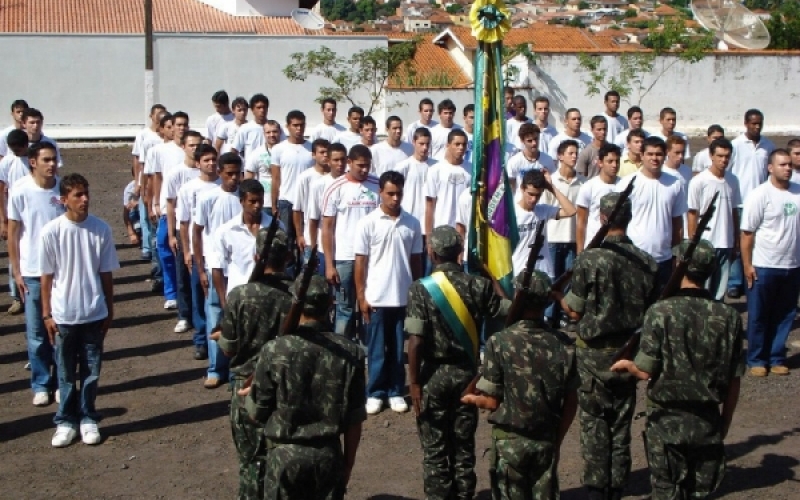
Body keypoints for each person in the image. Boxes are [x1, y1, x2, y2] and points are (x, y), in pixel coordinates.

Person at [610, 240, 744, 500]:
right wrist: (725, 420)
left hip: (666, 422)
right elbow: (734, 378)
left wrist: (628, 366)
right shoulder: (728, 317)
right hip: (707, 421)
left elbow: (646, 371)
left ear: (678, 266)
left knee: (666, 491)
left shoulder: (660, 312)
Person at [552, 192, 658, 500]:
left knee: (595, 422)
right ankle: (617, 484)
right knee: (621, 422)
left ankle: (597, 486)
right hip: (628, 351)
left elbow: (575, 310)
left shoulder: (590, 259)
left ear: (602, 218)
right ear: (629, 218)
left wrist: (557, 297)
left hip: (593, 355)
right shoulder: (646, 261)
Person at [405, 225, 512, 500]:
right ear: (460, 252)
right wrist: (491, 275)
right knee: (463, 448)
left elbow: (415, 341)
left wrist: (414, 381)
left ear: (432, 252)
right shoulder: (479, 285)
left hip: (433, 375)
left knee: (435, 450)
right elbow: (508, 309)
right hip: (468, 376)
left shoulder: (420, 289)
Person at [242, 274, 366, 500]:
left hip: (284, 458)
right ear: (330, 304)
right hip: (328, 456)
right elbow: (354, 419)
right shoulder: (350, 353)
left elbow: (256, 413)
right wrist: (347, 464)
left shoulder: (275, 350)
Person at [465, 271, 578, 500]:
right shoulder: (564, 345)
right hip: (546, 440)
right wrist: (558, 439)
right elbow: (572, 400)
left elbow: (491, 400)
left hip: (510, 443)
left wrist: (472, 400)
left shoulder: (500, 342)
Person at [40, 173, 119, 447]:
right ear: (64, 200)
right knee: (64, 371)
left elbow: (106, 274)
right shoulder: (52, 231)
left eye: (86, 193)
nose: (85, 199)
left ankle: (87, 417)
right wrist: (47, 314)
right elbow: (47, 277)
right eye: (77, 195)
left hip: (93, 312)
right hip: (63, 314)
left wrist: (109, 309)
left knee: (91, 370)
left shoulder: (101, 229)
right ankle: (65, 420)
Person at [218, 228, 293, 499]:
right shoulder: (295, 297)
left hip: (246, 388)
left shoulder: (240, 295)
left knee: (251, 464)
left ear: (256, 255)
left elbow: (227, 349)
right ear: (287, 258)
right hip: (285, 390)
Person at [355, 171, 423, 415]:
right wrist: (361, 296)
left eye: (399, 193)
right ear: (380, 193)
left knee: (397, 349)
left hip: (402, 297)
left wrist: (417, 293)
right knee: (375, 348)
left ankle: (395, 391)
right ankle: (374, 392)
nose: (395, 198)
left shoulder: (412, 223)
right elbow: (360, 262)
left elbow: (416, 261)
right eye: (390, 193)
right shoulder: (368, 223)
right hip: (376, 297)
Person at [8, 141, 65, 406]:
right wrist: (17, 272)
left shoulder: (62, 189)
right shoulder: (20, 190)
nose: (52, 164)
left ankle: (60, 381)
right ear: (33, 162)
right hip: (32, 272)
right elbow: (13, 232)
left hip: (59, 272)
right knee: (36, 333)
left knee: (60, 329)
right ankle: (41, 383)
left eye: (54, 159)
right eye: (47, 160)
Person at [741, 149, 800, 377]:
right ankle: (756, 358)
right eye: (783, 164)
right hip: (764, 266)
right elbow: (747, 234)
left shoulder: (797, 193)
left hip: (792, 266)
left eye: (789, 165)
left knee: (785, 315)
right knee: (758, 315)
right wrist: (747, 264)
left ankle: (776, 357)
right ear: (770, 167)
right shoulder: (759, 195)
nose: (788, 168)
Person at [193, 153, 244, 386]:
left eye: (237, 174)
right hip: (215, 266)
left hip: (239, 269)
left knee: (238, 319)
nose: (234, 178)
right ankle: (215, 368)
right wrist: (200, 268)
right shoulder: (208, 198)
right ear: (220, 173)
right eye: (229, 174)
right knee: (216, 314)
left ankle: (236, 367)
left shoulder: (246, 197)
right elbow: (197, 231)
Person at [322, 145, 380, 339]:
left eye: (367, 166)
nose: (364, 170)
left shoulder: (377, 185)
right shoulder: (335, 188)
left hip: (372, 258)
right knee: (345, 308)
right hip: (345, 258)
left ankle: (366, 352)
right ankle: (342, 352)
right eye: (360, 166)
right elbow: (327, 228)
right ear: (349, 162)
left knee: (369, 304)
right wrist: (329, 264)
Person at [615, 137, 687, 292]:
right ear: (641, 155)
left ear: (665, 155)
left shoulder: (675, 184)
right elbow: (617, 223)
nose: (654, 158)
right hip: (634, 257)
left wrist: (676, 254)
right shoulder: (627, 183)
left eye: (659, 154)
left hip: (664, 259)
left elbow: (677, 223)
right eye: (650, 154)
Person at [177, 144, 222, 364]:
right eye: (206, 160)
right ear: (198, 164)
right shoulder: (188, 189)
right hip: (199, 252)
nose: (211, 164)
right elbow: (184, 224)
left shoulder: (226, 186)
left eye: (214, 159)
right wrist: (187, 251)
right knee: (200, 297)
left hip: (221, 254)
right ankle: (201, 341)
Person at [727, 108, 775, 299]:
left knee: (756, 243)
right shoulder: (736, 145)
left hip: (761, 202)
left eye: (759, 123)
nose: (757, 126)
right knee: (738, 244)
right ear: (745, 123)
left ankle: (752, 278)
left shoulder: (768, 146)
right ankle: (734, 282)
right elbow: (728, 171)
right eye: (753, 123)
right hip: (740, 201)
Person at [688, 138, 740, 300]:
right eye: (720, 156)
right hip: (706, 244)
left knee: (720, 291)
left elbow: (734, 211)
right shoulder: (699, 181)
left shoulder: (733, 180)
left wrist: (736, 238)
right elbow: (692, 213)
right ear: (711, 155)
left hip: (725, 243)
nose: (724, 160)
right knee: (703, 289)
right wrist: (693, 242)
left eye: (727, 156)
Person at [212, 180, 282, 301]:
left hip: (268, 297)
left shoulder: (277, 227)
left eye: (260, 201)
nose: (257, 205)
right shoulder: (226, 231)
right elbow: (217, 268)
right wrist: (224, 304)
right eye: (252, 201)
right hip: (238, 298)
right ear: (242, 202)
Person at [159, 127, 199, 329]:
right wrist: (171, 234)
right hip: (182, 230)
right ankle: (184, 315)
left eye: (198, 145)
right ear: (183, 147)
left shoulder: (207, 172)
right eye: (191, 145)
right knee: (183, 273)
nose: (195, 149)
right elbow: (170, 204)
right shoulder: (176, 174)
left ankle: (199, 314)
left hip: (201, 232)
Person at [541, 141, 583, 325]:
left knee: (568, 281)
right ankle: (549, 316)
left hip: (572, 237)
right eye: (570, 153)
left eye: (576, 153)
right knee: (552, 280)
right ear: (560, 156)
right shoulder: (551, 181)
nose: (574, 156)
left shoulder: (582, 182)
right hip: (553, 237)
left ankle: (566, 315)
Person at [513, 165, 576, 281]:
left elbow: (571, 211)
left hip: (544, 272)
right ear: (522, 188)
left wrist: (551, 187)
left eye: (538, 195)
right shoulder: (512, 213)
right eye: (530, 194)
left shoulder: (542, 210)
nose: (533, 199)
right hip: (520, 273)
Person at [270, 110, 314, 264]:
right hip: (286, 201)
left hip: (307, 203)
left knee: (305, 241)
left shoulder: (311, 149)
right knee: (286, 243)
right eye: (295, 125)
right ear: (287, 126)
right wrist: (274, 204)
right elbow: (275, 178)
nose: (299, 129)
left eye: (301, 125)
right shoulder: (279, 149)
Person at [0, 129, 32, 315]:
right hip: (15, 214)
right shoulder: (6, 163)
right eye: (13, 149)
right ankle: (16, 297)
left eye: (19, 148)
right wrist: (3, 220)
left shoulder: (34, 160)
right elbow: (1, 190)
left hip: (33, 213)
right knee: (14, 254)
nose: (16, 151)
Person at [306, 142, 348, 278]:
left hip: (345, 248)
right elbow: (313, 219)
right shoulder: (318, 185)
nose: (340, 164)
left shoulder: (352, 183)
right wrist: (313, 248)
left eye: (343, 159)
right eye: (336, 160)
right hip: (324, 249)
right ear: (329, 161)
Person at [291, 139, 329, 274]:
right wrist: (299, 234)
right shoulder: (305, 177)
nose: (325, 155)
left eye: (327, 152)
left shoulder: (335, 177)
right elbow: (297, 209)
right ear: (313, 155)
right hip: (310, 235)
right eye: (322, 152)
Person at [425, 129, 471, 238]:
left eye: (464, 144)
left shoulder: (471, 169)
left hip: (464, 230)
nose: (461, 148)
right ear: (448, 145)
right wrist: (429, 236)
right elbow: (430, 205)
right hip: (441, 230)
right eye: (457, 144)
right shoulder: (436, 170)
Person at [576, 144, 621, 252]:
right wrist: (580, 250)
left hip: (618, 247)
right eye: (610, 161)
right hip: (594, 247)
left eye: (617, 161)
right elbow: (581, 221)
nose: (614, 165)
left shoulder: (624, 184)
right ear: (600, 163)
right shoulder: (588, 187)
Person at [396, 127, 434, 234]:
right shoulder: (403, 167)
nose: (425, 147)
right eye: (421, 144)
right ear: (413, 142)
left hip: (430, 224)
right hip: (408, 221)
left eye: (427, 144)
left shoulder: (436, 166)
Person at [506, 123, 556, 199]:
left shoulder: (548, 160)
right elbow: (511, 186)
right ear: (522, 141)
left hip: (543, 204)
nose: (534, 143)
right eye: (530, 141)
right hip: (521, 204)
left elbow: (553, 182)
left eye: (536, 139)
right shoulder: (514, 161)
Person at [244, 120, 282, 212]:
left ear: (280, 132)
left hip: (284, 200)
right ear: (264, 134)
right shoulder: (256, 153)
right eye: (268, 132)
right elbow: (248, 180)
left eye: (275, 131)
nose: (272, 135)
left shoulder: (287, 151)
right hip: (264, 202)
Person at [231, 93, 270, 160]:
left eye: (264, 107)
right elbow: (234, 150)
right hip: (250, 169)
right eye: (258, 108)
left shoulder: (275, 128)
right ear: (252, 110)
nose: (262, 110)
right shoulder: (245, 128)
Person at [122, 167, 142, 248]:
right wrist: (131, 233)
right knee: (132, 212)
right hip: (136, 214)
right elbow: (126, 212)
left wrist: (139, 203)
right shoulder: (129, 189)